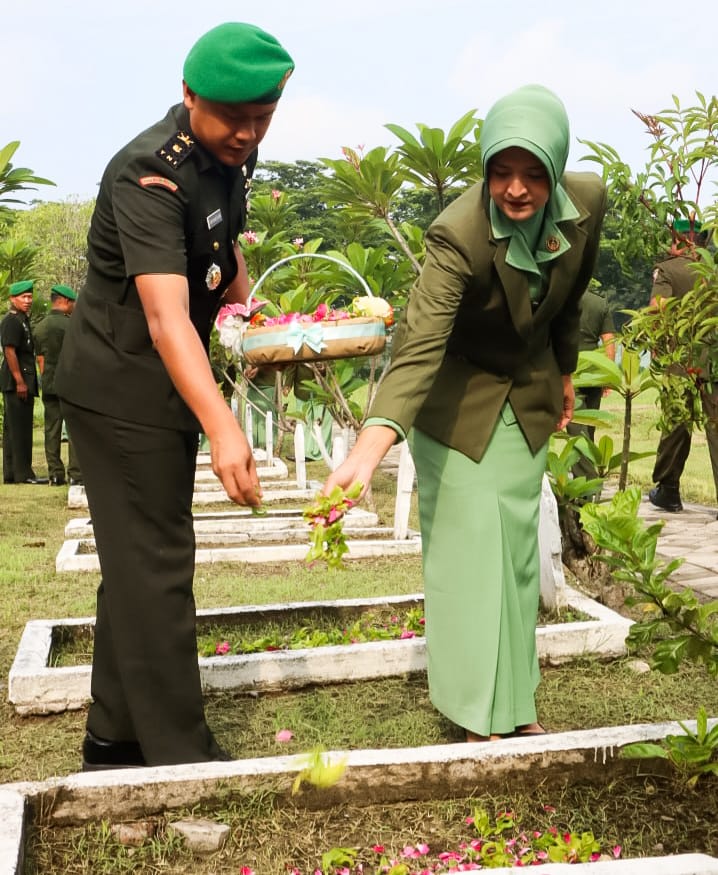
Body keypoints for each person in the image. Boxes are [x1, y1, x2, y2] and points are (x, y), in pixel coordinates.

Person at [324, 85, 606, 742]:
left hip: (526, 395)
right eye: (501, 171)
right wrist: (367, 453)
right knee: (469, 554)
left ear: (556, 168)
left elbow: (570, 295)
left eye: (534, 171)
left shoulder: (586, 201)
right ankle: (474, 714)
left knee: (513, 558)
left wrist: (565, 371)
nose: (515, 188)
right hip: (456, 398)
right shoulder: (458, 233)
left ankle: (517, 705)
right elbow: (418, 344)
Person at [54, 21, 294, 770]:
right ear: (189, 96)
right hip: (121, 388)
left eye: (264, 116)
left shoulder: (230, 160)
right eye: (233, 117)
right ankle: (180, 755)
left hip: (159, 388)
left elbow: (221, 258)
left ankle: (112, 737)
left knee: (136, 561)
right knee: (158, 564)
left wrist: (258, 317)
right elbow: (164, 314)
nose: (248, 133)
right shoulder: (147, 172)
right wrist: (225, 427)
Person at [647, 219, 718, 514]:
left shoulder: (668, 270)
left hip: (681, 360)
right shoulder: (713, 271)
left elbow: (656, 311)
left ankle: (669, 490)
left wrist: (656, 352)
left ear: (679, 240)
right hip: (714, 359)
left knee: (677, 422)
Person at [33, 284, 83, 486]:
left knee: (51, 430)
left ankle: (55, 473)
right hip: (71, 385)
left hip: (49, 383)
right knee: (74, 430)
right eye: (72, 302)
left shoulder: (40, 327)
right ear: (64, 301)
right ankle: (76, 474)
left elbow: (41, 361)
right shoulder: (73, 326)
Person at [566, 283, 615, 478]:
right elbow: (609, 341)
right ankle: (585, 477)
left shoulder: (564, 301)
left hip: (571, 371)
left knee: (577, 428)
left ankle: (587, 482)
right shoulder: (599, 302)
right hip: (594, 371)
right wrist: (608, 374)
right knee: (589, 427)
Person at [1, 280, 47, 484]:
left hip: (19, 378)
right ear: (13, 299)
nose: (28, 301)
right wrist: (20, 381)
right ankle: (23, 473)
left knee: (13, 427)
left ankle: (12, 473)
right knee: (20, 428)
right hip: (16, 380)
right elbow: (9, 351)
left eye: (30, 297)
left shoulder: (21, 319)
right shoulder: (12, 321)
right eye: (24, 297)